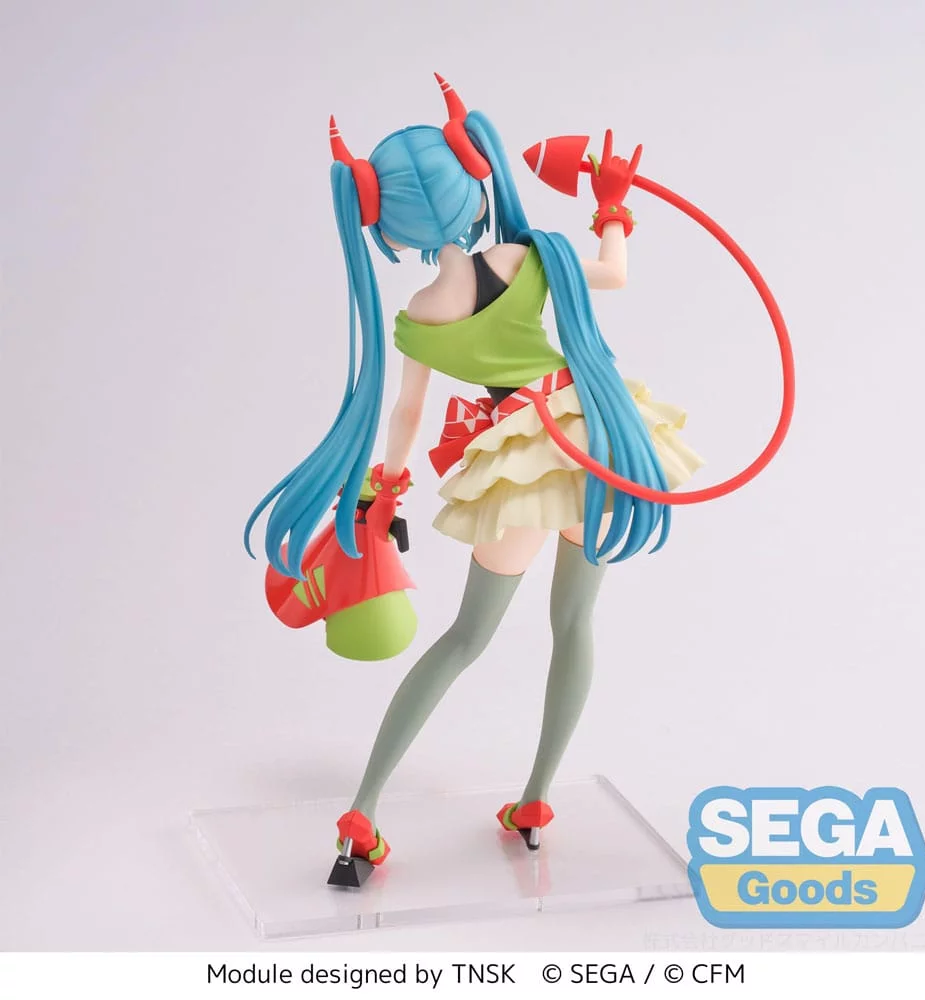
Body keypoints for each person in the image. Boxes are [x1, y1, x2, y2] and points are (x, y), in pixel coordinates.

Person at [245, 74, 703, 878]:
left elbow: (406, 418)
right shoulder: (527, 255)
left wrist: (382, 494)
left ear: (384, 222)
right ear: (474, 181)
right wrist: (611, 204)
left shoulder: (419, 317)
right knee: (575, 623)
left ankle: (363, 812)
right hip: (593, 439)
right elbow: (614, 272)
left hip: (522, 465)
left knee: (464, 639)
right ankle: (535, 802)